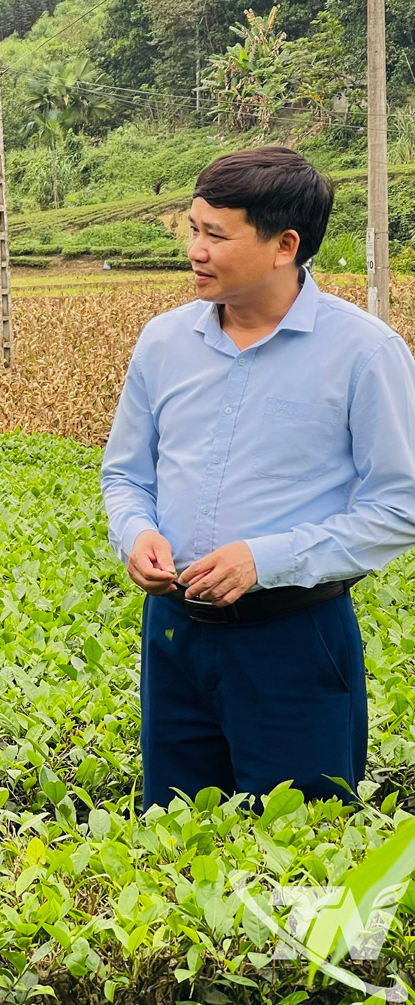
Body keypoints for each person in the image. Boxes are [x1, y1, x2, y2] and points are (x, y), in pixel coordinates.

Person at [102, 147, 415, 811]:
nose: (196, 249)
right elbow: (126, 473)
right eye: (192, 227)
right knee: (175, 853)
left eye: (216, 234)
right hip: (174, 634)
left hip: (294, 639)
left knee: (299, 863)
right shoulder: (162, 342)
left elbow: (399, 507)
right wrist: (135, 532)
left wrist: (263, 559)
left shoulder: (364, 353)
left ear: (285, 245)